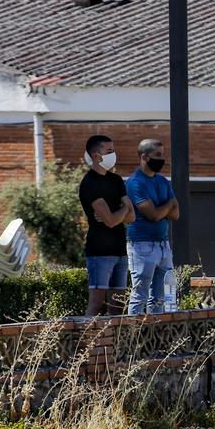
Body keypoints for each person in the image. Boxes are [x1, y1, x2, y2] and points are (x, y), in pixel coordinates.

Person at [78, 134, 134, 315]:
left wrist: (121, 212)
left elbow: (131, 216)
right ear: (96, 155)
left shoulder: (116, 180)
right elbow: (110, 221)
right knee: (96, 303)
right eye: (109, 151)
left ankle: (115, 343)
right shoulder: (89, 183)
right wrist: (123, 209)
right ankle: (87, 342)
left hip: (119, 250)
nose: (113, 154)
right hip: (99, 252)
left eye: (113, 150)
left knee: (118, 306)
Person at [125, 138, 179, 315]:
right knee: (140, 295)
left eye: (162, 155)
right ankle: (133, 336)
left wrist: (164, 208)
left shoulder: (162, 181)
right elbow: (153, 215)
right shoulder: (135, 183)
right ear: (144, 156)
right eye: (157, 155)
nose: (162, 159)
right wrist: (168, 206)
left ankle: (153, 336)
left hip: (163, 245)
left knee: (160, 297)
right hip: (141, 245)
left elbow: (176, 214)